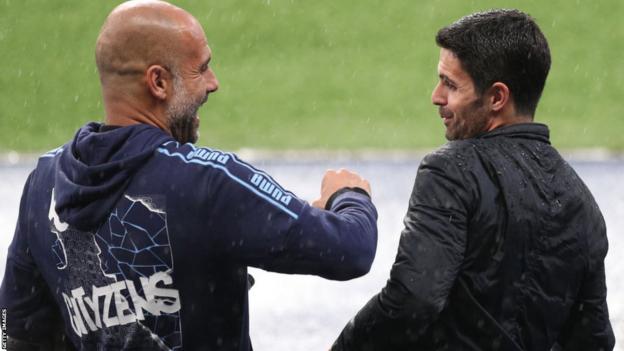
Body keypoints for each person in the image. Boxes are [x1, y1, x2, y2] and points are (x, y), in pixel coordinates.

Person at [0, 1, 378, 350]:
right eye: (201, 68)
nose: (214, 82)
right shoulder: (209, 182)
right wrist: (349, 195)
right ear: (158, 82)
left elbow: (11, 334)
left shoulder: (43, 182)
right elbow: (350, 249)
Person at [331, 9, 615, 351]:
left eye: (450, 84)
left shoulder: (450, 172)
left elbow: (414, 300)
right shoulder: (582, 203)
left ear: (497, 97)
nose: (436, 96)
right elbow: (593, 340)